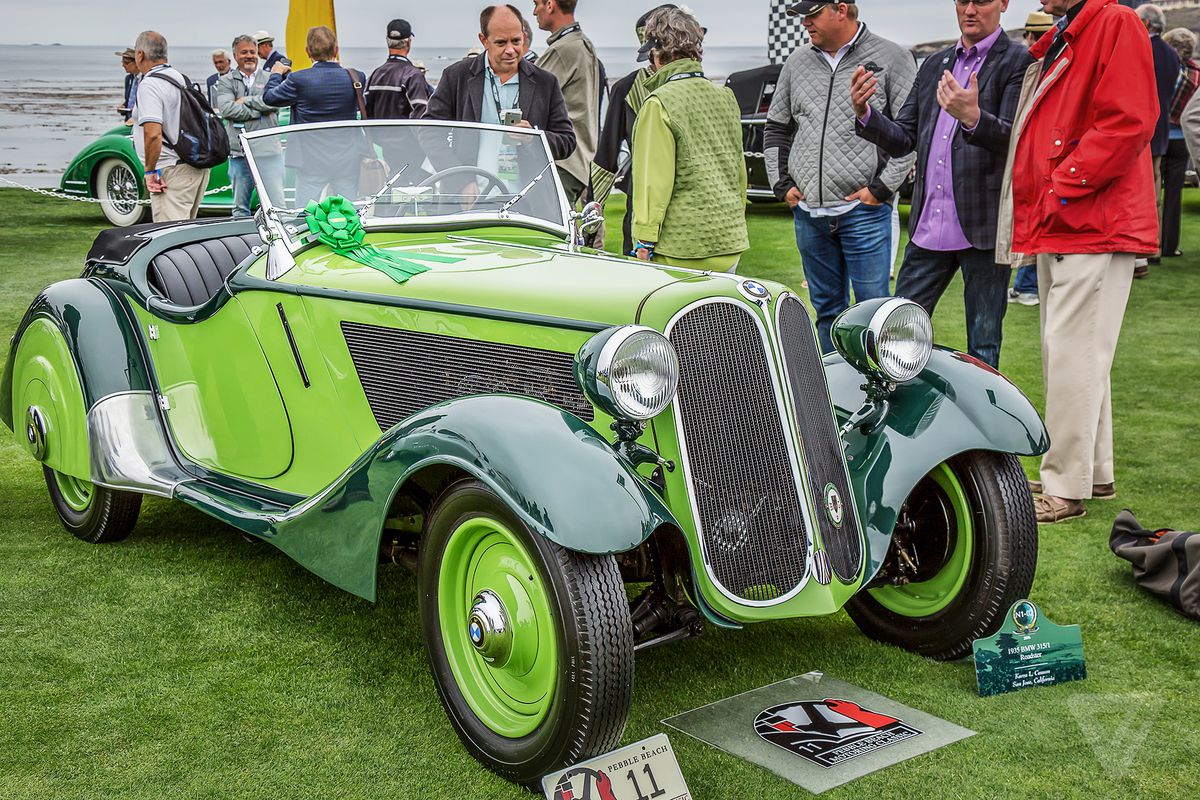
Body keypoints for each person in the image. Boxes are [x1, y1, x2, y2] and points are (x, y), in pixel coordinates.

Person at [996, 0, 1158, 524]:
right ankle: (1090, 472)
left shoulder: (1113, 23)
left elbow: (1129, 121)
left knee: (1071, 354)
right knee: (1078, 354)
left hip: (1087, 219)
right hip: (1076, 218)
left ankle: (1066, 485)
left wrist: (1062, 187)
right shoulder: (1084, 30)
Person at [851, 0, 1033, 369]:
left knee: (983, 346)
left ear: (1003, 4)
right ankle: (893, 418)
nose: (969, 10)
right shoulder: (935, 64)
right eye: (962, 1)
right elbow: (905, 137)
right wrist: (866, 114)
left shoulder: (1020, 63)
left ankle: (986, 423)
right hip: (928, 227)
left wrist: (973, 118)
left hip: (982, 227)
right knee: (894, 333)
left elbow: (1020, 139)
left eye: (980, 1)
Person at [764, 1, 918, 354]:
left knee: (874, 315)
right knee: (827, 314)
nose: (805, 23)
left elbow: (911, 134)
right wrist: (780, 184)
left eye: (812, 15)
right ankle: (832, 397)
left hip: (864, 213)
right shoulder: (797, 61)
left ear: (841, 10)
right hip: (809, 213)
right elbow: (777, 127)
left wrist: (880, 189)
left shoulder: (893, 57)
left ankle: (880, 394)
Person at [630, 7, 748, 269]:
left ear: (657, 53)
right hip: (729, 241)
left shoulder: (659, 102)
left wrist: (644, 243)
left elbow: (653, 184)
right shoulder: (726, 97)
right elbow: (738, 173)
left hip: (681, 247)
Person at [424, 5, 576, 161]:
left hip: (530, 186)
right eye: (501, 43)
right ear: (484, 40)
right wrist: (460, 178)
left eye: (516, 41)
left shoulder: (546, 82)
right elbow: (428, 131)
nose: (510, 50)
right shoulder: (456, 76)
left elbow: (567, 142)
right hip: (470, 183)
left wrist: (533, 137)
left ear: (524, 36)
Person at [591, 4, 676, 256]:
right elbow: (606, 159)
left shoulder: (699, 90)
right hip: (640, 207)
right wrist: (592, 216)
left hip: (687, 213)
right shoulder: (627, 88)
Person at [264, 26, 366, 205]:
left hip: (310, 160)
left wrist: (276, 74)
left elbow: (269, 98)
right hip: (347, 159)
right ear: (336, 49)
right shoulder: (356, 77)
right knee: (349, 214)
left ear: (307, 51)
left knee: (305, 216)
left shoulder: (299, 80)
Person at [130, 31, 210, 223]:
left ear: (140, 55)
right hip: (194, 166)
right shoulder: (180, 78)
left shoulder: (150, 84)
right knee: (186, 236)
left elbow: (153, 134)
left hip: (170, 171)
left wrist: (150, 171)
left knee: (170, 238)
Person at [1008, 9, 1056, 306]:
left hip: (1038, 160)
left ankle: (1026, 286)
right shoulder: (1051, 58)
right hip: (1047, 160)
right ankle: (1029, 285)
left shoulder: (1033, 65)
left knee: (1031, 221)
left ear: (1029, 35)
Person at [532, 0, 602, 205]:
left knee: (546, 233)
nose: (535, 11)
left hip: (562, 161)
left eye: (537, 4)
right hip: (579, 160)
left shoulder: (563, 50)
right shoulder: (583, 44)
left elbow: (527, 97)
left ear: (550, 5)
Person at [1135, 3, 1180, 276]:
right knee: (1154, 190)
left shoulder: (1139, 49)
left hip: (1138, 130)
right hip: (1161, 127)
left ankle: (1139, 251)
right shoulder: (1172, 54)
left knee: (1139, 190)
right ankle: (1152, 247)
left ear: (1147, 24)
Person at [217, 34, 282, 217]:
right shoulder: (225, 81)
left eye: (252, 52)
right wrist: (260, 110)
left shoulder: (271, 78)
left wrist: (246, 100)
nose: (249, 56)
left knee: (276, 205)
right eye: (244, 52)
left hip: (269, 151)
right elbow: (227, 110)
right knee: (240, 207)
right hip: (240, 152)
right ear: (235, 55)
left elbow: (275, 103)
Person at [1161, 27, 1199, 259]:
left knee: (1153, 194)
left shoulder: (1164, 70)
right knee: (1173, 196)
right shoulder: (1196, 73)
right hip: (1181, 140)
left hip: (1159, 137)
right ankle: (1169, 246)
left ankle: (1150, 246)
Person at [366, 19, 430, 120]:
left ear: (387, 41)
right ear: (408, 42)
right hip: (405, 135)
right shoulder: (412, 75)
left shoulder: (375, 75)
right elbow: (420, 114)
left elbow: (366, 111)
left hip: (378, 135)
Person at [116, 48, 139, 121]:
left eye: (126, 62)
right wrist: (123, 107)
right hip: (128, 121)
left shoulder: (146, 79)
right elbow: (129, 100)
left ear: (136, 63)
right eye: (122, 62)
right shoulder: (128, 79)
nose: (123, 65)